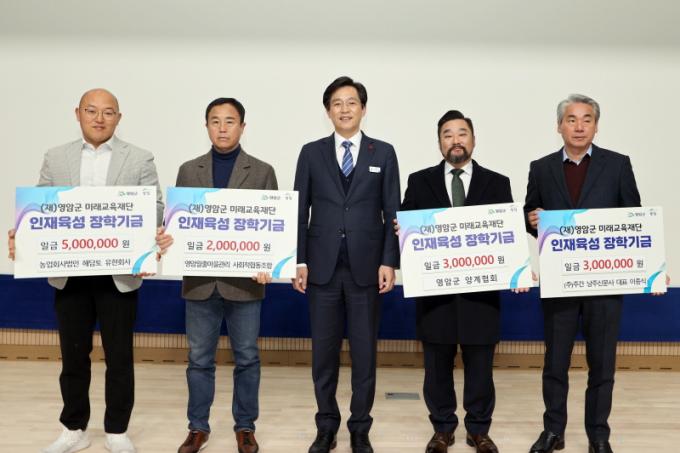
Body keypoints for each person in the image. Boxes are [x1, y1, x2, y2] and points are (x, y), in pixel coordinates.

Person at [7, 88, 167, 453]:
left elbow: (155, 207)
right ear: (77, 113)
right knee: (73, 354)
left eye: (108, 112)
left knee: (119, 355)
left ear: (118, 118)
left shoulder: (139, 157)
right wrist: (24, 234)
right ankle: (73, 428)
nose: (99, 118)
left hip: (119, 275)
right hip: (70, 272)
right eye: (91, 111)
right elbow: (41, 207)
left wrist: (145, 236)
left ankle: (117, 430)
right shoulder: (55, 157)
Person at [524, 94, 663, 453]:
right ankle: (553, 431)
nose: (579, 126)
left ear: (596, 126)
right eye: (571, 119)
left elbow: (634, 219)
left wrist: (651, 267)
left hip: (604, 284)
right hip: (560, 283)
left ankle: (598, 435)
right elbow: (530, 214)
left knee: (602, 366)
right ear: (559, 126)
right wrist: (532, 219)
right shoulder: (541, 168)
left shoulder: (617, 165)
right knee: (555, 364)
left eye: (587, 119)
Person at [292, 76, 400, 453]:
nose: (344, 109)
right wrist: (299, 259)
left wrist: (389, 261)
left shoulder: (383, 153)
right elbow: (299, 210)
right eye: (337, 103)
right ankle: (326, 426)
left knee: (364, 355)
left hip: (366, 269)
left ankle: (360, 428)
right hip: (320, 269)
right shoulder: (311, 153)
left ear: (363, 109)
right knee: (323, 356)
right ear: (328, 111)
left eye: (351, 102)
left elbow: (392, 211)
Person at [399, 110, 513, 453]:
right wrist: (400, 230)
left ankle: (479, 430)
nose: (455, 140)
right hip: (436, 296)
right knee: (437, 369)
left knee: (481, 369)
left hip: (481, 296)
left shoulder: (498, 182)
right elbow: (405, 230)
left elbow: (506, 236)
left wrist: (517, 268)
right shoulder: (420, 182)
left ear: (473, 140)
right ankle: (442, 429)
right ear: (439, 143)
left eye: (462, 133)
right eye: (447, 135)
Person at [173, 98, 277, 453]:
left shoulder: (262, 171)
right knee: (199, 359)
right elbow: (180, 223)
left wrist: (270, 261)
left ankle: (245, 426)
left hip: (245, 284)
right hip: (200, 283)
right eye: (215, 121)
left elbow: (272, 226)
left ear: (242, 127)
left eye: (229, 121)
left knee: (247, 357)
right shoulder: (189, 170)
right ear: (206, 126)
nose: (222, 128)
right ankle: (197, 427)